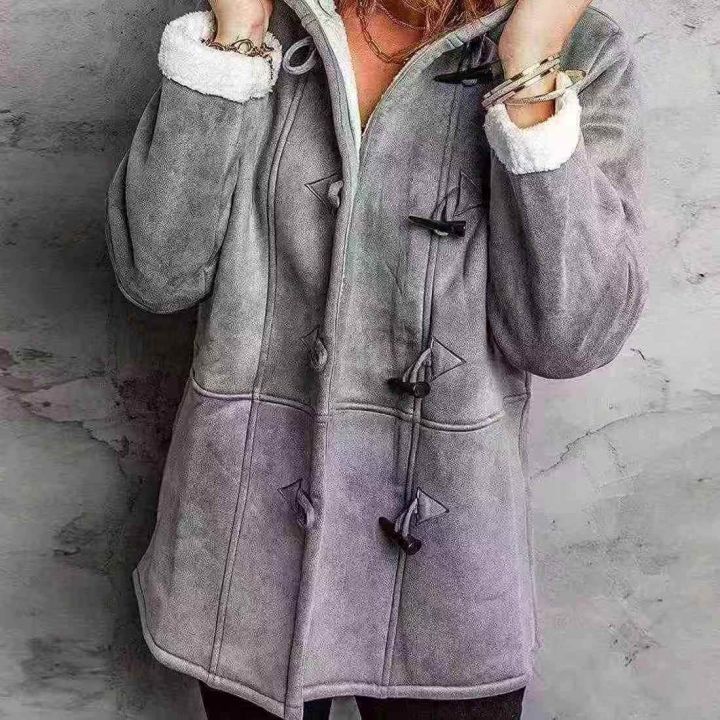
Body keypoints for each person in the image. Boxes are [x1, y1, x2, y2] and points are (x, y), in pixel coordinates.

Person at [105, 0, 648, 717]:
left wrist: (528, 75)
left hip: (446, 562)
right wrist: (235, 41)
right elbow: (156, 273)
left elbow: (569, 337)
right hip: (246, 541)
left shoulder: (581, 49)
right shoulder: (265, 20)